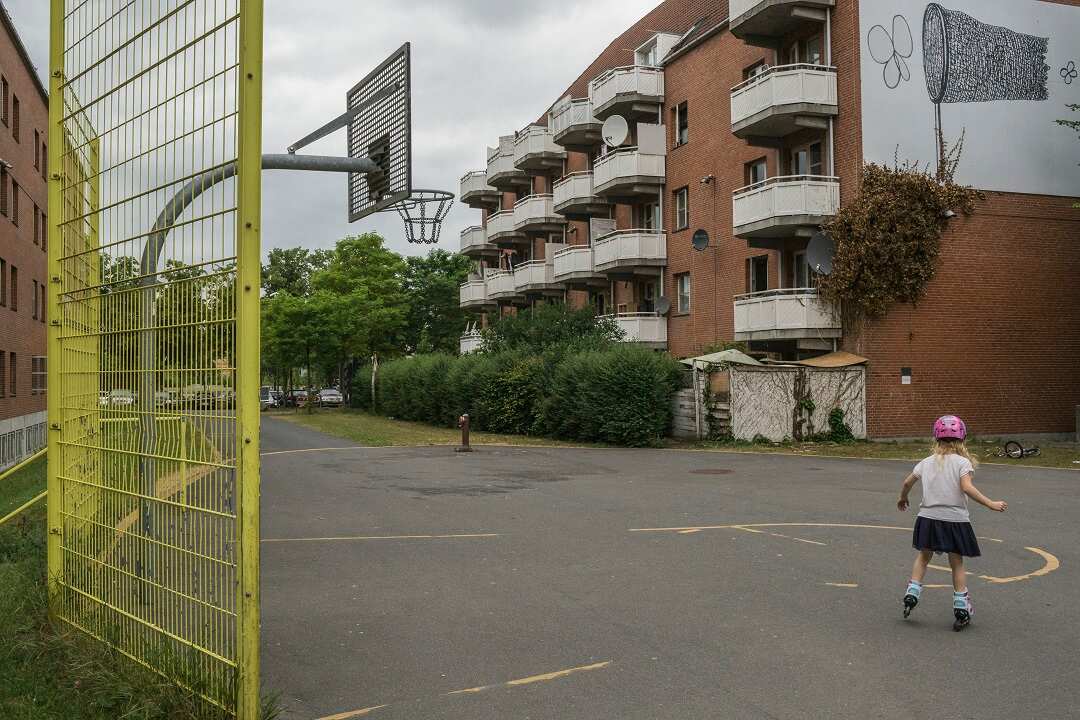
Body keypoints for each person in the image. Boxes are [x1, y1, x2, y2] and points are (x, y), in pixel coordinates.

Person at [896, 415, 1007, 630]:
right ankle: (961, 607)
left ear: (936, 438)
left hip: (928, 518)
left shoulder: (926, 462)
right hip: (954, 519)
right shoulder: (962, 463)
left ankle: (912, 592)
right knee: (956, 563)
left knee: (923, 557)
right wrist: (990, 503)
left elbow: (907, 482)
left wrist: (903, 497)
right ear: (962, 439)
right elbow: (966, 487)